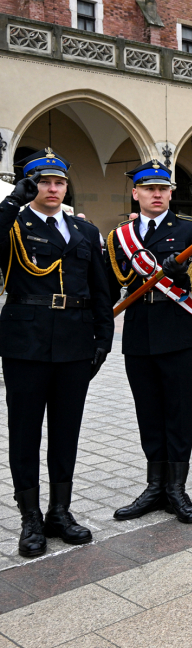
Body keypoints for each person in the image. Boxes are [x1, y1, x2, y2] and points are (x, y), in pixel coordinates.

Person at [1, 149, 113, 557]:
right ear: (30, 185)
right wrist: (13, 200)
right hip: (25, 344)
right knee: (25, 432)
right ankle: (30, 518)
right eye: (43, 182)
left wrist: (104, 338)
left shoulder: (84, 233)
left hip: (74, 342)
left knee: (66, 431)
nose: (52, 188)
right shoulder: (14, 223)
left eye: (59, 182)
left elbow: (101, 289)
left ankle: (59, 512)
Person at [106, 160, 192, 524]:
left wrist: (189, 273)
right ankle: (154, 487)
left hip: (178, 331)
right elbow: (108, 285)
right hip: (138, 335)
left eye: (163, 189)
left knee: (178, 413)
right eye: (149, 189)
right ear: (136, 193)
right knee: (148, 414)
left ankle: (177, 489)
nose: (157, 194)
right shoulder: (120, 237)